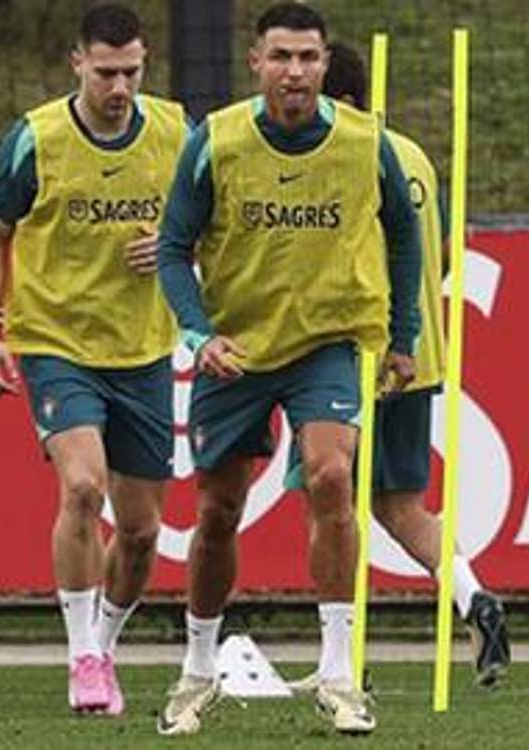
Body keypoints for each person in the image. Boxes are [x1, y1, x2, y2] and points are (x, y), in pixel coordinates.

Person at [153, 3, 422, 737]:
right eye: (281, 57)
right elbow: (174, 247)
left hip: (326, 343)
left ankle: (338, 673)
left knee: (332, 475)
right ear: (255, 62)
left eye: (308, 58)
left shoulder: (367, 144)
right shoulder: (217, 140)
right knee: (217, 512)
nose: (295, 72)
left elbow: (404, 232)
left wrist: (405, 334)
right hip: (235, 351)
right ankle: (197, 668)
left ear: (326, 63)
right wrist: (198, 332)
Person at [0, 2, 186, 715]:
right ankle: (81, 656)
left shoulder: (175, 132)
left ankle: (107, 642)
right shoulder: (36, 138)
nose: (119, 86)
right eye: (105, 72)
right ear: (77, 64)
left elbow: (213, 225)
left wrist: (176, 246)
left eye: (130, 71)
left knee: (142, 530)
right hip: (57, 343)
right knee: (83, 488)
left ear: (144, 62)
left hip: (145, 349)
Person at [291, 40, 510, 689]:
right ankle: (475, 598)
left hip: (351, 350)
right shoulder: (412, 154)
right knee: (400, 505)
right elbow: (440, 256)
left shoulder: (340, 156)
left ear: (343, 100)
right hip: (420, 356)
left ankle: (340, 658)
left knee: (328, 496)